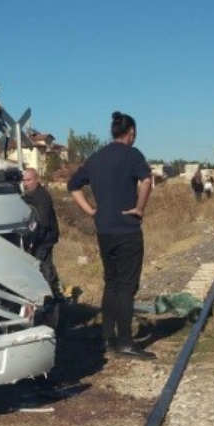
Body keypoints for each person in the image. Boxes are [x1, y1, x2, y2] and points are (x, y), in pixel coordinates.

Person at [69, 111, 155, 361]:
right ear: (131, 133)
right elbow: (147, 180)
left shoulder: (95, 157)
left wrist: (91, 211)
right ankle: (126, 342)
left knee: (112, 283)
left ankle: (108, 337)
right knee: (127, 287)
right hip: (127, 229)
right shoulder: (133, 155)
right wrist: (139, 208)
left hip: (104, 230)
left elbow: (73, 186)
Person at [21, 167, 61, 294]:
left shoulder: (42, 197)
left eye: (29, 180)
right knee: (45, 264)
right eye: (24, 180)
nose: (26, 183)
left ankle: (49, 294)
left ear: (36, 179)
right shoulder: (30, 195)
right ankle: (54, 290)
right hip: (41, 238)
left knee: (43, 266)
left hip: (45, 238)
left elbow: (43, 222)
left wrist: (34, 241)